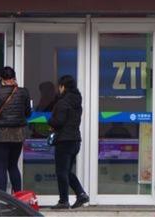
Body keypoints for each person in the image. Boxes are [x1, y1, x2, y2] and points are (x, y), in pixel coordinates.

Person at [0, 66, 32, 192]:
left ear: (1, 79)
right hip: (18, 134)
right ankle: (19, 197)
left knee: (1, 168)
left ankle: (2, 199)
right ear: (14, 77)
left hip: (0, 135)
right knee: (13, 166)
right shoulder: (23, 92)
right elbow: (28, 112)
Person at [49, 75, 89, 209]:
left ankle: (63, 201)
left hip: (64, 141)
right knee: (66, 171)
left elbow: (58, 122)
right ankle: (81, 194)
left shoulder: (63, 102)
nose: (58, 89)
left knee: (61, 171)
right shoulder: (77, 101)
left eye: (59, 86)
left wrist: (50, 121)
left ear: (63, 87)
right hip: (75, 140)